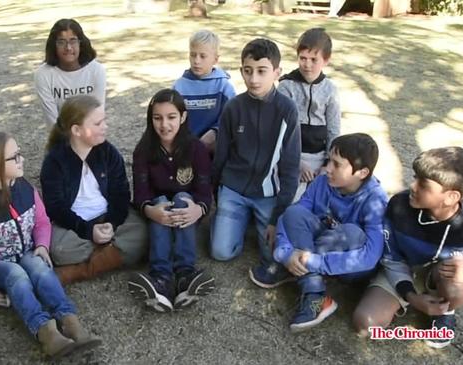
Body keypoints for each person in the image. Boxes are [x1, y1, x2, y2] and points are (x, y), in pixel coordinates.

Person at [0, 132, 100, 359]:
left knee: (40, 268)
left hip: (27, 251)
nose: (22, 159)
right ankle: (45, 331)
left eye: (19, 154)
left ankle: (70, 321)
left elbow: (41, 222)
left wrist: (42, 245)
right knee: (17, 275)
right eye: (15, 157)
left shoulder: (25, 189)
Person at [249, 133, 387, 332]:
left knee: (351, 232)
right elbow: (292, 216)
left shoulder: (375, 199)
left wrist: (312, 261)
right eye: (329, 160)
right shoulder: (323, 181)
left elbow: (371, 257)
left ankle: (300, 274)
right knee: (294, 212)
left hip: (350, 267)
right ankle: (315, 292)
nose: (328, 168)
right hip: (317, 247)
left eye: (337, 164)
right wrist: (285, 253)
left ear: (362, 173)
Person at [353, 147, 463, 348]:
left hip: (440, 274)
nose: (412, 186)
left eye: (423, 184)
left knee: (458, 286)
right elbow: (391, 258)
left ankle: (444, 311)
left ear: (451, 197)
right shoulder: (399, 205)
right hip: (402, 268)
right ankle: (406, 301)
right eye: (415, 178)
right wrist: (411, 297)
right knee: (365, 324)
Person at [210, 38, 300, 264]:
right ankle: (231, 221)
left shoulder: (287, 110)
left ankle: (255, 222)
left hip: (266, 194)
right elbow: (220, 156)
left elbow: (290, 167)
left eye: (262, 71)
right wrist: (216, 196)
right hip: (233, 190)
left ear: (277, 72)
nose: (254, 79)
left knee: (274, 256)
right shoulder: (233, 107)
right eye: (248, 71)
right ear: (241, 71)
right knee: (221, 252)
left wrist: (277, 216)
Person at [40, 95, 148, 284]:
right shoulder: (55, 161)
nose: (105, 126)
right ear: (76, 130)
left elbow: (120, 194)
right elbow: (55, 208)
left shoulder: (108, 153)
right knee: (58, 250)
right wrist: (89, 231)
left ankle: (81, 271)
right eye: (98, 123)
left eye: (104, 120)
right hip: (73, 224)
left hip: (107, 216)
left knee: (144, 233)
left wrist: (112, 223)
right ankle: (115, 252)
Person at [127, 89, 215, 312]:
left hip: (187, 212)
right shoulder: (143, 150)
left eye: (171, 117)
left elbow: (205, 193)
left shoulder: (197, 149)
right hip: (158, 212)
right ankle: (161, 279)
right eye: (157, 118)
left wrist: (199, 210)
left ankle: (185, 274)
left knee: (183, 198)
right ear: (151, 119)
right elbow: (141, 194)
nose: (164, 125)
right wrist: (150, 211)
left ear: (183, 117)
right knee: (159, 201)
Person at [277, 28, 340, 201]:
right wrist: (297, 163)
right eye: (302, 58)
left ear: (326, 60)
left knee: (322, 198)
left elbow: (333, 131)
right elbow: (279, 131)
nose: (307, 64)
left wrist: (327, 164)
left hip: (319, 157)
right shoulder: (286, 86)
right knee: (291, 199)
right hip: (290, 154)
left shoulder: (330, 90)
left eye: (314, 59)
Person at [173, 29, 236, 153]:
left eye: (203, 56)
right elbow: (171, 117)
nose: (197, 61)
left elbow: (233, 116)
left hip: (215, 147)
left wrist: (216, 131)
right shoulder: (179, 87)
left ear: (215, 59)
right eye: (193, 55)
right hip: (185, 149)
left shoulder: (223, 86)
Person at [35, 18, 106, 126]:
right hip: (60, 136)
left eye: (73, 41)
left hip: (91, 135)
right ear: (54, 45)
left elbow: (97, 115)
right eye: (61, 42)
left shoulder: (96, 70)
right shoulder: (43, 74)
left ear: (81, 43)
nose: (68, 47)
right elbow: (52, 121)